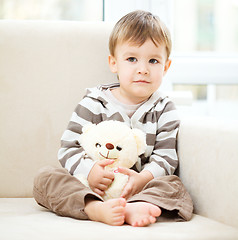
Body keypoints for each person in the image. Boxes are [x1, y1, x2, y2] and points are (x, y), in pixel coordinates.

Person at [33, 10, 193, 227]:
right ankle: (94, 208)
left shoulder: (165, 109)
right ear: (114, 63)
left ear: (166, 67)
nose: (143, 69)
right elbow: (68, 148)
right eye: (132, 59)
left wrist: (142, 179)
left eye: (153, 61)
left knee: (173, 185)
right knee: (46, 177)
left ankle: (133, 206)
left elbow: (166, 159)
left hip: (139, 187)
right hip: (92, 186)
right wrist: (90, 172)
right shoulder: (94, 102)